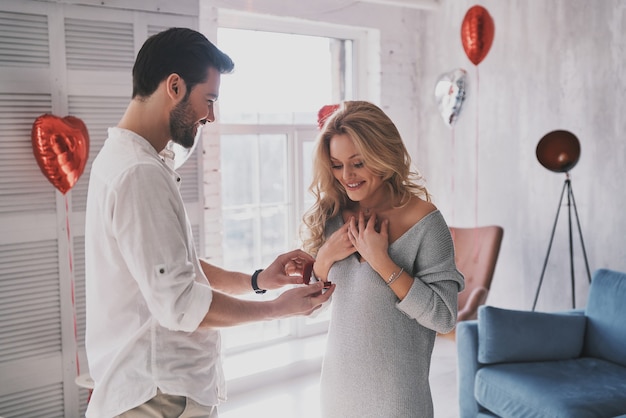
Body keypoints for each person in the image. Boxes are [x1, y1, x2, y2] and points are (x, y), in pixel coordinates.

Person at [84, 27, 334, 418]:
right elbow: (180, 304)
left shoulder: (123, 160)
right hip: (159, 394)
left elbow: (173, 271)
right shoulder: (139, 173)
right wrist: (277, 310)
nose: (211, 116)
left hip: (158, 389)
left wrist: (257, 282)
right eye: (209, 100)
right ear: (174, 86)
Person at [300, 100, 464, 418]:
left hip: (398, 402)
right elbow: (307, 309)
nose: (346, 176)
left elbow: (444, 318)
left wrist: (383, 262)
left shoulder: (425, 222)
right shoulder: (331, 215)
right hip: (336, 394)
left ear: (383, 155)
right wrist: (324, 259)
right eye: (336, 164)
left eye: (358, 163)